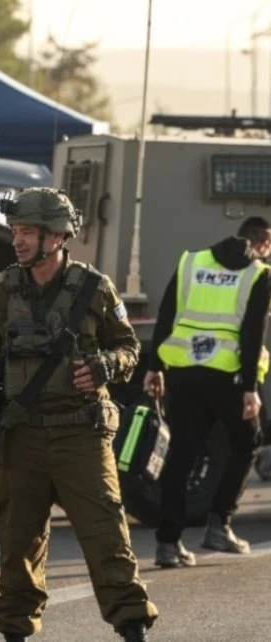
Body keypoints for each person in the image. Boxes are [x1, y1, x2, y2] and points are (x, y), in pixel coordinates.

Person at [0, 188, 158, 642]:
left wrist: (107, 366)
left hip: (80, 435)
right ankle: (15, 630)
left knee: (107, 534)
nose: (18, 241)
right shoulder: (3, 288)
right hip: (19, 435)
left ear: (58, 236)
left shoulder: (94, 288)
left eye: (27, 232)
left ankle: (132, 625)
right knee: (18, 542)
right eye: (15, 232)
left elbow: (128, 346)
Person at [144, 216, 271, 566]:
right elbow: (251, 334)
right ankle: (220, 523)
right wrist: (251, 389)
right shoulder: (258, 274)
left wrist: (154, 366)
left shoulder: (192, 261)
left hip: (184, 373)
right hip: (228, 378)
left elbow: (167, 313)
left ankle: (168, 544)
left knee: (182, 454)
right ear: (263, 242)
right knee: (247, 442)